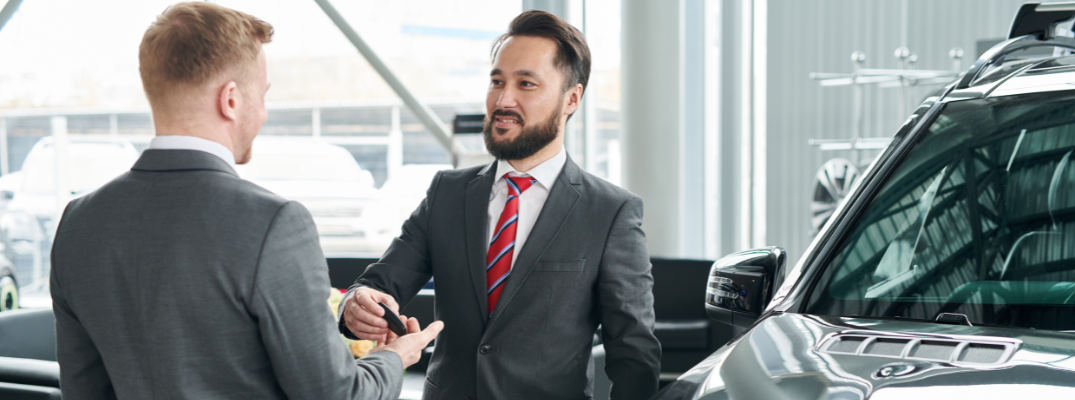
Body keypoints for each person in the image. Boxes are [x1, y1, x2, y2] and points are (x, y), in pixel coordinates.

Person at [49, 3, 442, 399]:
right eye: (263, 96)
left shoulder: (79, 221)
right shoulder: (273, 222)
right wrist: (394, 356)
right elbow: (336, 395)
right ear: (231, 100)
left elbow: (81, 389)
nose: (263, 112)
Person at [338, 10, 660, 400]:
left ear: (571, 99)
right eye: (497, 81)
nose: (503, 100)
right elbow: (377, 284)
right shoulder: (448, 192)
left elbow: (633, 351)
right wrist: (358, 305)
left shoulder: (610, 212)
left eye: (526, 83)